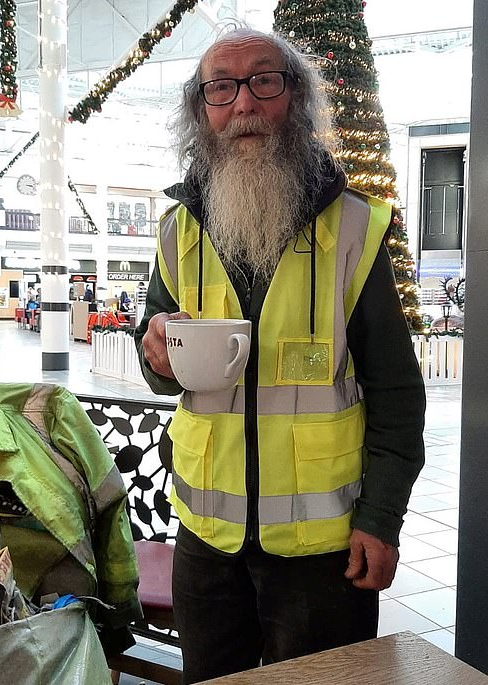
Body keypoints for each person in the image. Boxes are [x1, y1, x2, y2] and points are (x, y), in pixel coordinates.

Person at [134, 29, 426, 683]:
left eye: (265, 80)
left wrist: (381, 519)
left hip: (322, 552)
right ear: (200, 110)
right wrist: (154, 351)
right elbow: (158, 364)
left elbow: (398, 394)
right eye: (221, 86)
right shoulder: (176, 230)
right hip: (206, 545)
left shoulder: (354, 227)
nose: (243, 103)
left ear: (295, 99)